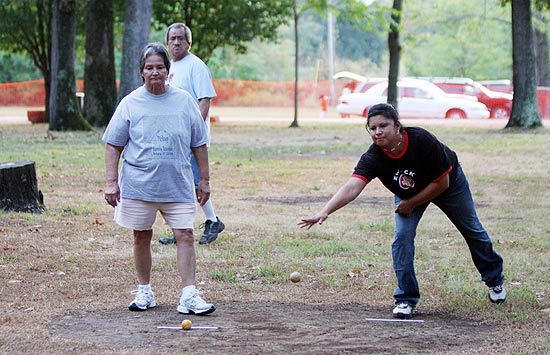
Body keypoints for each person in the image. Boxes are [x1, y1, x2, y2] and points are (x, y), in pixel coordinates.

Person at [299, 103, 505, 319]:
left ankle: (495, 280)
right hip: (409, 194)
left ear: (397, 126)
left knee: (471, 229)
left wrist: (411, 203)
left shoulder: (421, 140)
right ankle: (406, 298)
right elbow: (353, 186)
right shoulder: (373, 157)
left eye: (383, 125)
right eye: (372, 128)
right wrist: (325, 211)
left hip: (449, 185)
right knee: (402, 237)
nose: (378, 132)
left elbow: (442, 183)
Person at [103, 43, 215, 315]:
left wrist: (205, 181)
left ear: (169, 71)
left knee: (185, 235)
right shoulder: (130, 103)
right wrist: (111, 182)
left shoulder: (185, 101)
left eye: (160, 67)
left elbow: (199, 143)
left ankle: (189, 294)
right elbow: (113, 145)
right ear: (141, 72)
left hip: (177, 183)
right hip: (139, 185)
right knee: (141, 235)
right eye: (149, 67)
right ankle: (144, 291)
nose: (155, 72)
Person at [159, 22, 224, 246]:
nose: (176, 42)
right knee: (182, 182)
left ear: (189, 42)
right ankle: (184, 227)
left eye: (181, 38)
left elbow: (204, 100)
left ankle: (212, 221)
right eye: (172, 38)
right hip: (174, 136)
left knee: (195, 182)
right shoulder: (169, 67)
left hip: (192, 138)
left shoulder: (196, 66)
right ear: (167, 42)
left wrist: (193, 133)